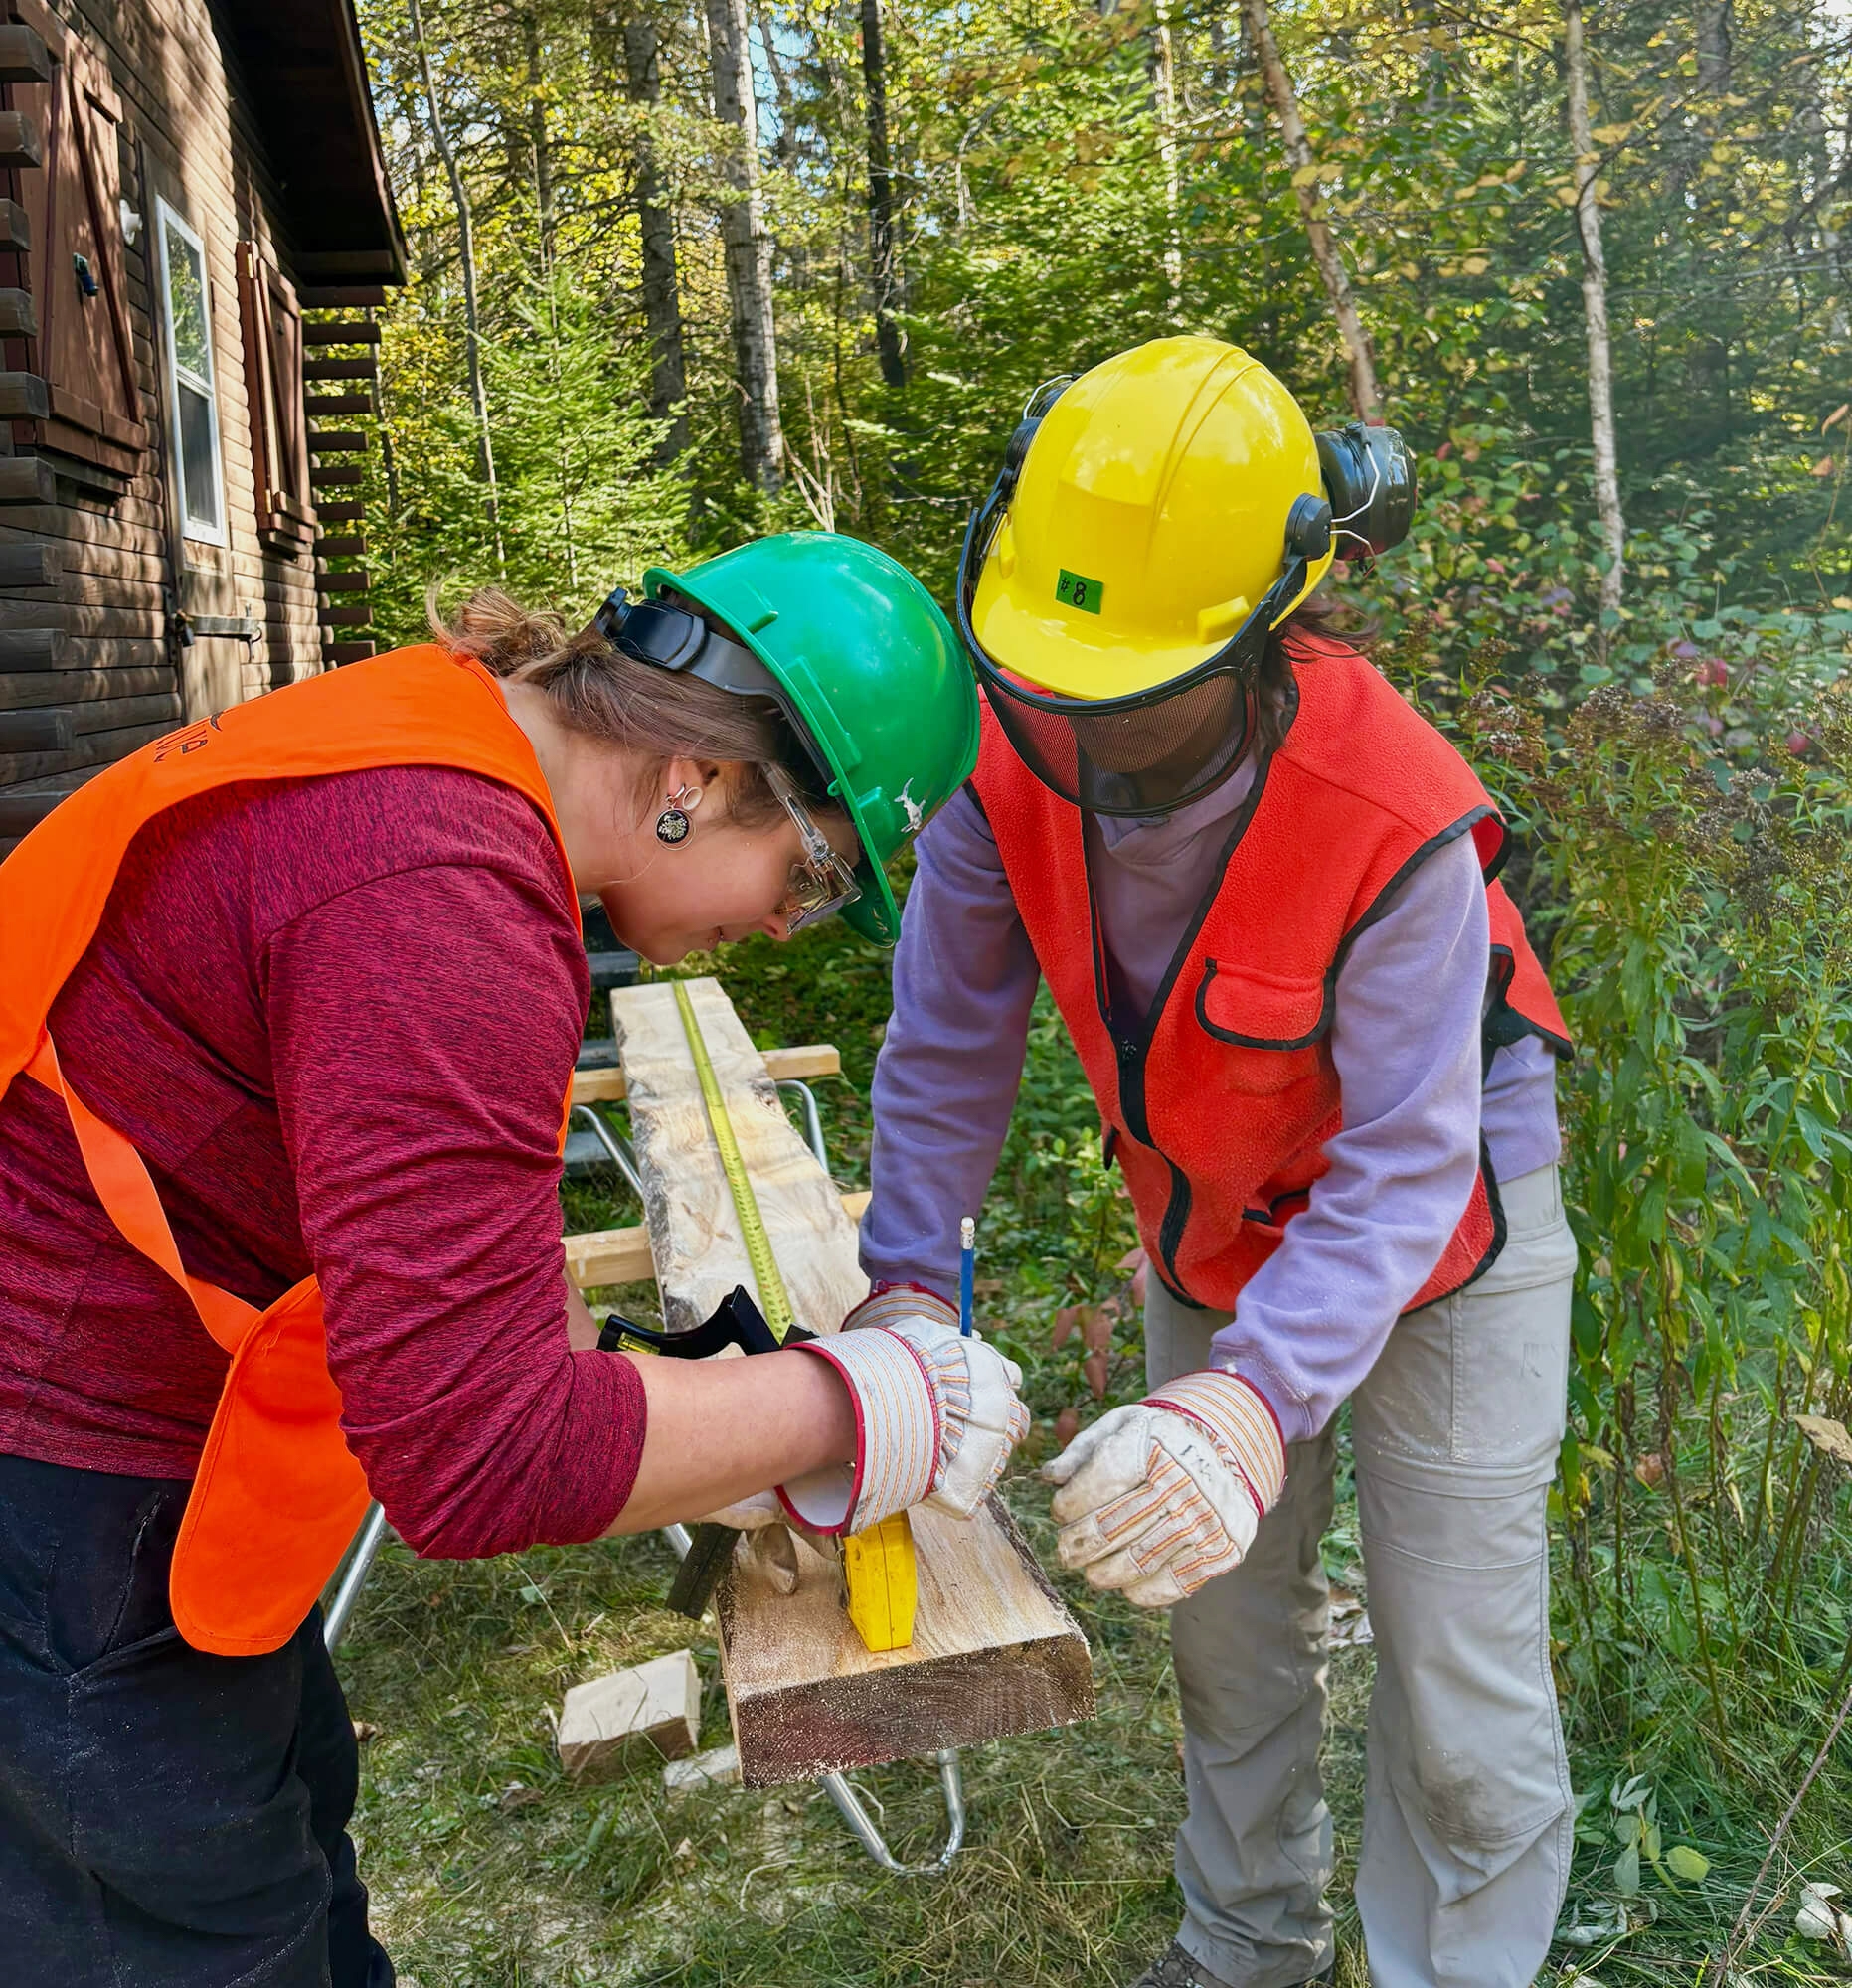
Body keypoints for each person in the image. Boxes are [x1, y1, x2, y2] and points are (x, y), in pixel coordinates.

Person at [0, 530, 1028, 1988]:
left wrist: (706, 1432)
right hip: (57, 1496)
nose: (776, 929)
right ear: (698, 781)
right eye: (803, 877)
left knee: (288, 1856)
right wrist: (867, 1402)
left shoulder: (447, 752)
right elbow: (475, 1458)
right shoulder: (442, 897)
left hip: (113, 1445)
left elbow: (481, 1302)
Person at [861, 337, 1578, 1988]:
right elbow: (951, 1046)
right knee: (1227, 1636)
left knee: (1458, 1687)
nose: (1077, 729)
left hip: (1451, 1236)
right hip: (1220, 1234)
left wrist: (1250, 1406)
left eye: (1126, 696)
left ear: (1264, 638)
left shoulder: (1392, 811)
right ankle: (1243, 1948)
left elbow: (1407, 1165)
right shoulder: (1002, 754)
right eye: (1045, 675)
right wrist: (905, 1293)